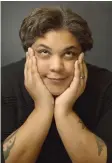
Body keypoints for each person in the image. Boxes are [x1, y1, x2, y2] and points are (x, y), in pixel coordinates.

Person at [1, 6, 112, 163]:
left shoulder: (106, 86)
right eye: (44, 52)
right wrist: (43, 108)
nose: (56, 67)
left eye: (68, 54)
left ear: (81, 56)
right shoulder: (4, 82)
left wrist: (64, 111)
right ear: (29, 53)